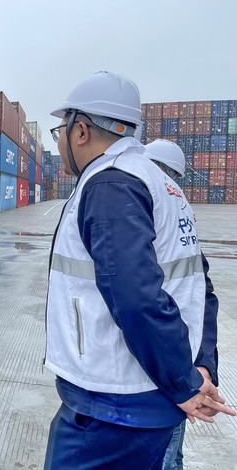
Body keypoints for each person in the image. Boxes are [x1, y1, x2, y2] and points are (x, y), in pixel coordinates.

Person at [43, 72, 235, 470]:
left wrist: (184, 383)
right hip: (143, 394)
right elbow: (199, 286)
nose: (59, 142)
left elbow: (136, 298)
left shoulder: (111, 185)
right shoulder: (163, 185)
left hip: (113, 403)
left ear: (81, 130)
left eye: (60, 131)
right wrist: (199, 366)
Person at [144, 139, 221, 470]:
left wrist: (199, 370)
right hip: (180, 370)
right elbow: (206, 296)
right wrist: (203, 365)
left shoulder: (152, 216)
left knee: (163, 457)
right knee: (171, 456)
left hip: (162, 376)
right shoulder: (181, 217)